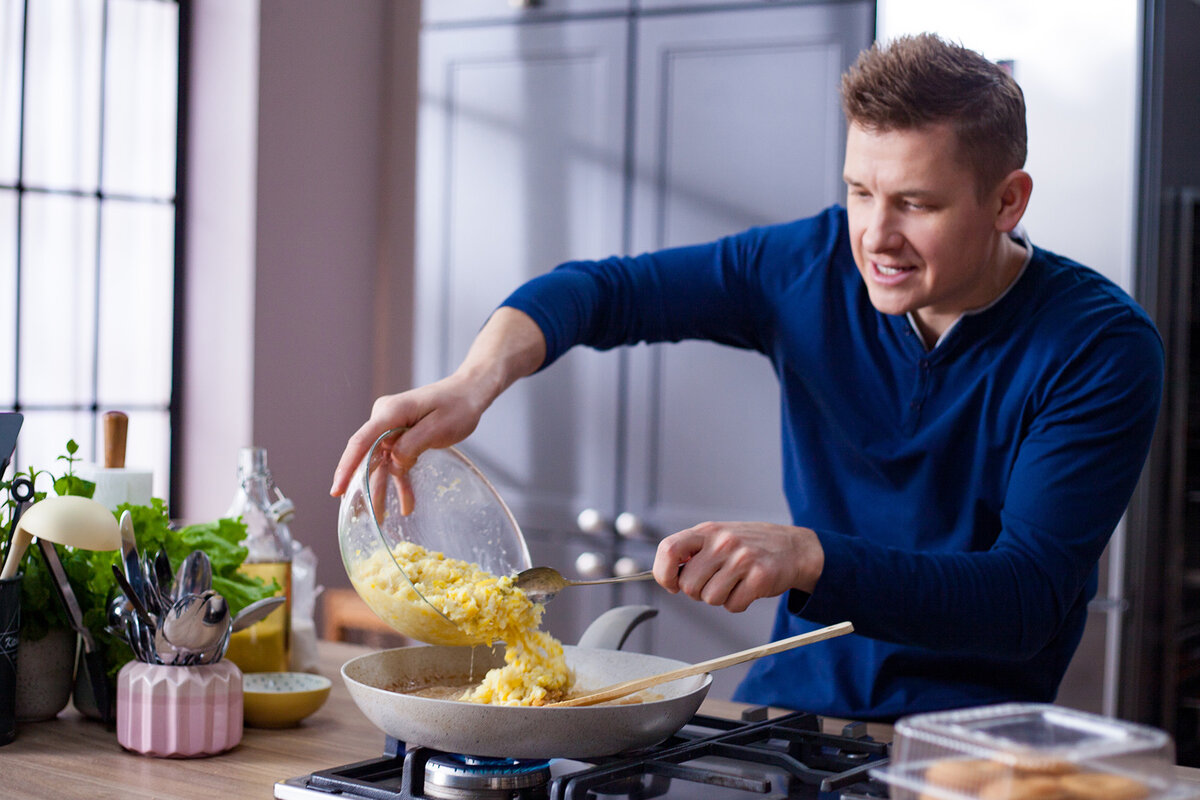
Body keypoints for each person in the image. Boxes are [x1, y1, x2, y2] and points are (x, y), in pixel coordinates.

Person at [331, 33, 1163, 721]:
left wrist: (807, 556)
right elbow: (600, 292)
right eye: (858, 191)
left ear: (1008, 202)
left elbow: (1023, 601)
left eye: (917, 203)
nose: (875, 236)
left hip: (968, 746)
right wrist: (474, 382)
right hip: (786, 715)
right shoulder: (806, 266)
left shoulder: (1098, 347)